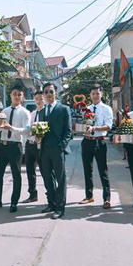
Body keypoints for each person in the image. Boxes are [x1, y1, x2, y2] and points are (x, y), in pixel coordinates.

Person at [0, 85, 31, 212]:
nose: (17, 96)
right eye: (14, 94)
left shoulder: (25, 112)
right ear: (10, 95)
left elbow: (27, 130)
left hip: (15, 146)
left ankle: (14, 202)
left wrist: (12, 128)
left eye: (19, 94)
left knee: (16, 175)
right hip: (3, 145)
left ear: (22, 97)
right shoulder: (4, 111)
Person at [38, 82, 73, 219]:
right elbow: (40, 130)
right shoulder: (42, 111)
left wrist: (62, 146)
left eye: (51, 91)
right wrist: (37, 137)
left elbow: (68, 131)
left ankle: (60, 208)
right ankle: (51, 203)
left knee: (60, 179)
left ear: (55, 93)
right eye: (46, 92)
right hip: (44, 150)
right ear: (43, 94)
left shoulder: (64, 109)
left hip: (58, 149)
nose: (48, 94)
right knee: (47, 179)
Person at [79, 84, 113, 208]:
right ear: (90, 95)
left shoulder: (106, 108)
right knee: (87, 170)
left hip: (99, 142)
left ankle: (106, 199)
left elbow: (108, 126)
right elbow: (84, 125)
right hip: (87, 141)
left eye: (97, 93)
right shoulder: (86, 109)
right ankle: (89, 196)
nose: (95, 96)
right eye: (93, 93)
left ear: (101, 94)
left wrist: (94, 128)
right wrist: (81, 128)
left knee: (103, 170)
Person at [21, 90, 45, 204]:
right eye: (36, 99)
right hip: (30, 145)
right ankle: (32, 194)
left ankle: (51, 195)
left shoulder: (47, 114)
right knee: (30, 171)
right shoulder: (32, 114)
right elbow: (27, 129)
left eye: (41, 99)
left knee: (45, 171)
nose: (39, 101)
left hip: (41, 146)